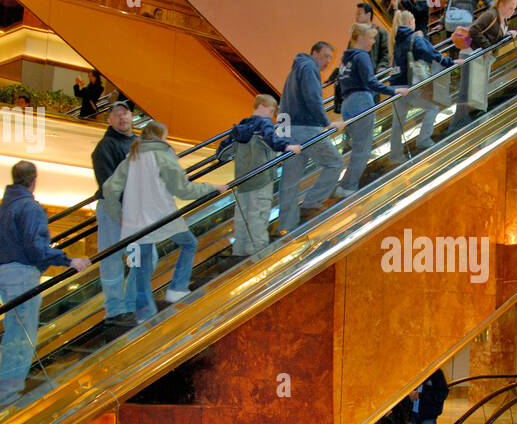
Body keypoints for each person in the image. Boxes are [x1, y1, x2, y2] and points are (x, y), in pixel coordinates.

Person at [102, 121, 214, 322]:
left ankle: (144, 314)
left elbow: (109, 188)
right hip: (162, 218)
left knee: (140, 269)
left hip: (134, 224)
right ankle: (177, 289)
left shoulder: (132, 157)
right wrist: (212, 187)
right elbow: (183, 190)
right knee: (189, 244)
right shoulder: (163, 155)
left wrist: (116, 214)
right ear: (162, 136)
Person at [0, 161, 88, 406]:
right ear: (34, 180)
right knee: (21, 335)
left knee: (12, 331)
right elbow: (35, 248)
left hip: (3, 272)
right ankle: (8, 394)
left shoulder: (4, 207)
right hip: (22, 274)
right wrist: (69, 260)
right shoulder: (30, 208)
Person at [218, 95, 300, 256]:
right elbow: (271, 138)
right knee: (259, 214)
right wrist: (288, 147)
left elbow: (221, 153)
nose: (272, 115)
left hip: (242, 181)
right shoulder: (263, 123)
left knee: (243, 216)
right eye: (271, 110)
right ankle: (258, 251)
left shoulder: (241, 126)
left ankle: (239, 251)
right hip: (261, 179)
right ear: (261, 106)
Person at [334, 23, 408, 197]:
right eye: (371, 38)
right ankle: (349, 186)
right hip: (361, 101)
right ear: (361, 38)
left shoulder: (346, 60)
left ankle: (344, 184)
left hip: (347, 104)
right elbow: (370, 81)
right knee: (363, 148)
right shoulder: (362, 56)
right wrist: (393, 90)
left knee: (357, 147)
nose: (373, 42)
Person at [278, 42, 343, 230]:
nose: (328, 61)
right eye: (325, 56)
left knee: (289, 182)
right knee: (335, 162)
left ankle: (287, 226)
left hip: (290, 130)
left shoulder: (295, 70)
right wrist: (327, 123)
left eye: (330, 57)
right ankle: (312, 202)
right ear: (314, 53)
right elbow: (313, 98)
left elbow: (283, 103)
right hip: (307, 129)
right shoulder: (309, 68)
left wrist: (282, 135)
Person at [92, 99, 137, 327]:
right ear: (109, 119)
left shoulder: (140, 144)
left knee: (141, 258)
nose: (122, 117)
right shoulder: (105, 146)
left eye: (125, 112)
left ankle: (129, 303)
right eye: (117, 114)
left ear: (131, 116)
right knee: (111, 259)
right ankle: (115, 309)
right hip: (114, 210)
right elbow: (107, 183)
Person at [388, 11, 454, 166]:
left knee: (398, 123)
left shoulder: (397, 40)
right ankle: (424, 139)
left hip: (396, 86)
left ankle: (395, 156)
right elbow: (431, 54)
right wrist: (449, 62)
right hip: (410, 85)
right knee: (432, 107)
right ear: (411, 21)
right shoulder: (414, 39)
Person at [453, 0, 517, 129]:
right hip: (470, 54)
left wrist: (507, 35)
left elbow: (494, 36)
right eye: (510, 8)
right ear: (501, 4)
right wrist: (487, 47)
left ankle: (466, 121)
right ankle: (456, 125)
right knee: (466, 90)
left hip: (479, 56)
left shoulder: (503, 21)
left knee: (474, 89)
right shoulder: (491, 15)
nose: (512, 11)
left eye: (514, 9)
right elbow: (475, 30)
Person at [354, 1, 391, 71]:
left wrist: (382, 67)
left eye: (359, 14)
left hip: (372, 72)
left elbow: (386, 53)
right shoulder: (356, 33)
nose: (356, 17)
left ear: (368, 15)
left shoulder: (380, 33)